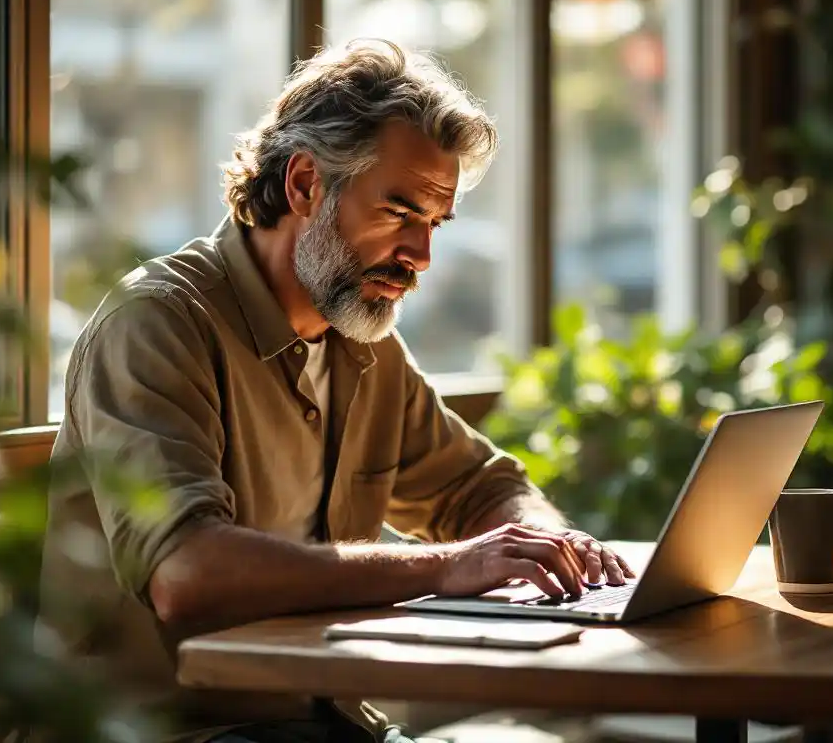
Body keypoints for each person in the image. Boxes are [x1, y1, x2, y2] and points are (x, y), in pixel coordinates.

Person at [36, 39, 635, 743]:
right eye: (398, 212)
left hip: (328, 721)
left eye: (433, 223)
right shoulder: (157, 324)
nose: (421, 256)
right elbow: (187, 573)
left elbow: (477, 486)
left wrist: (549, 544)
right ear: (303, 186)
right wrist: (449, 567)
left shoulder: (361, 344)